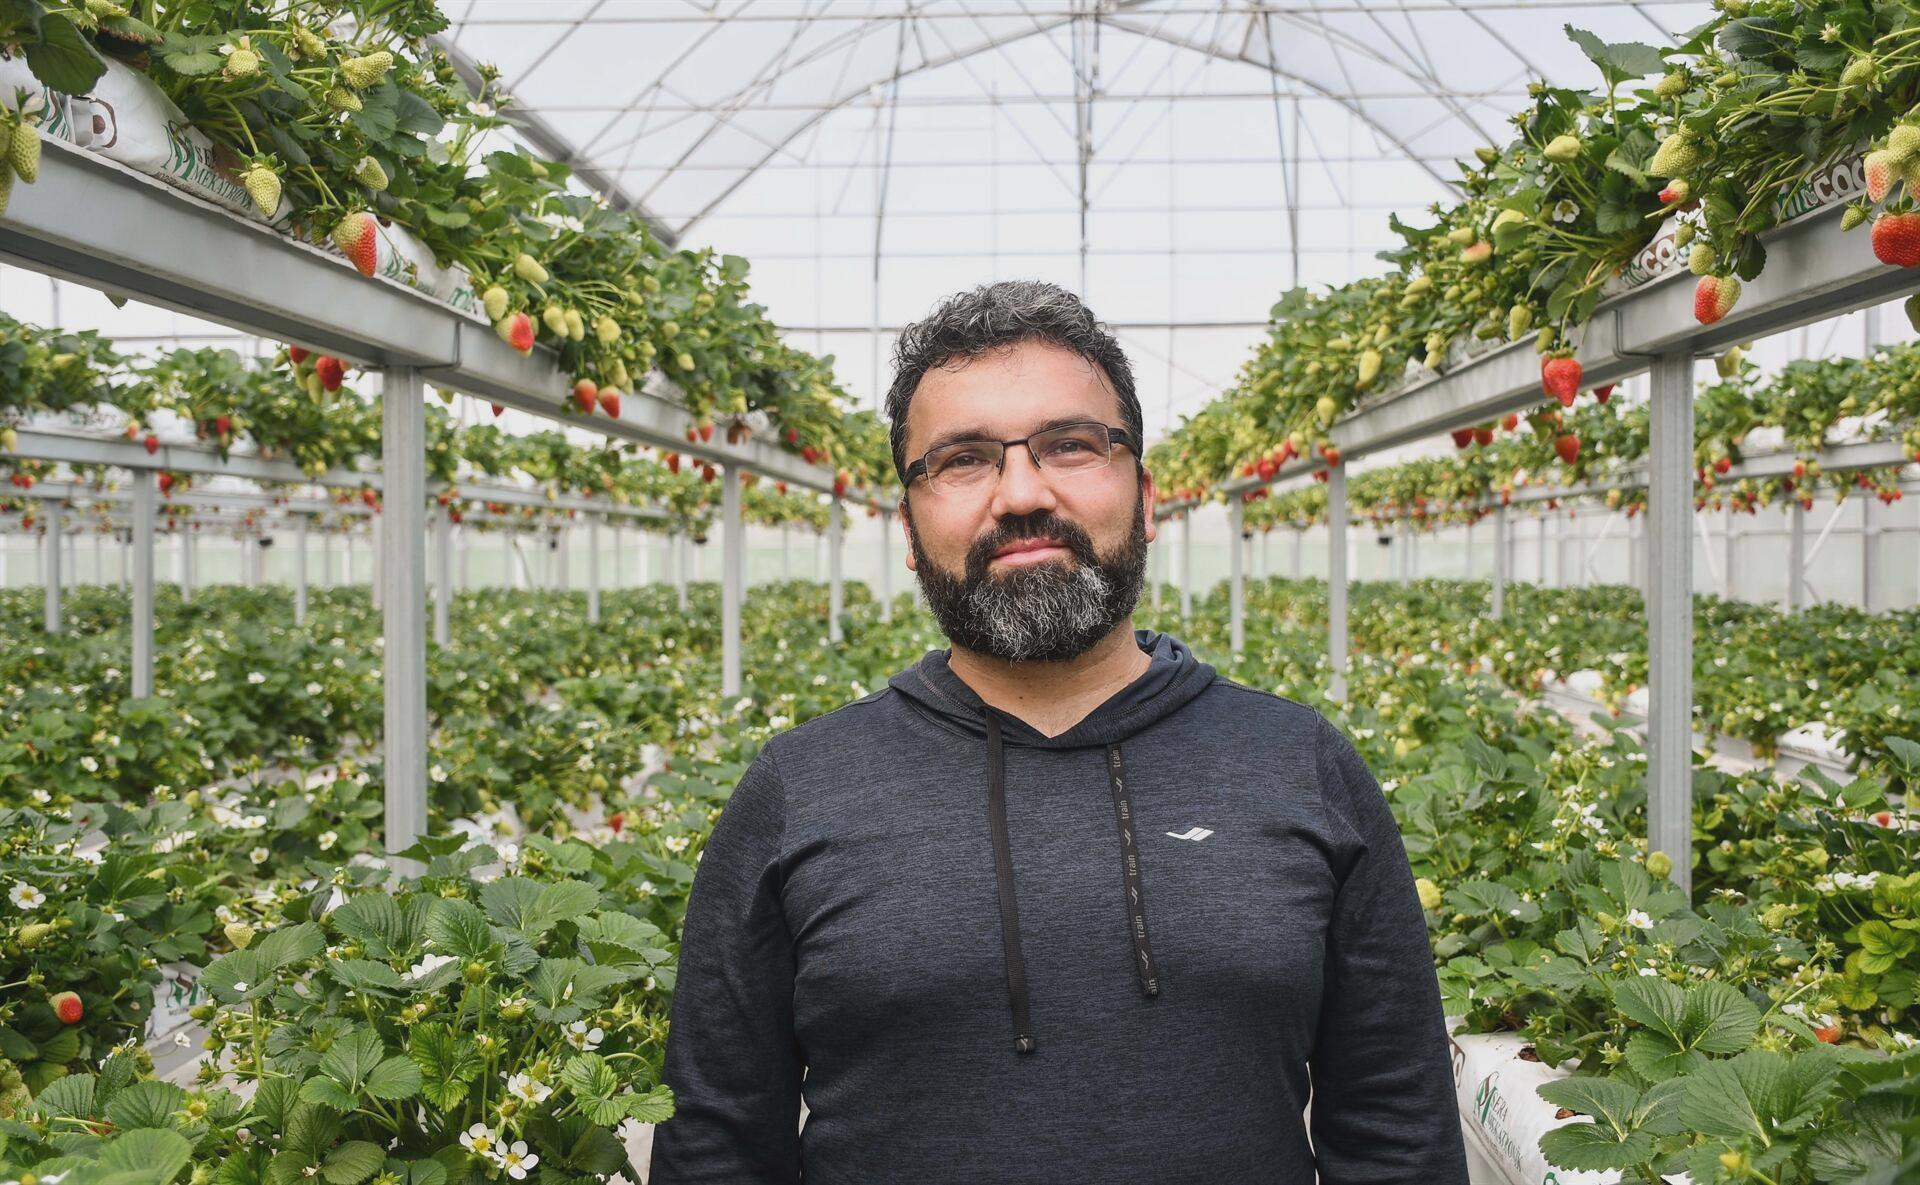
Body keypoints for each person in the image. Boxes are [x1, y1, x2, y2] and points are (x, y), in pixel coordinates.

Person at [647, 280, 1468, 1184]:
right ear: (910, 532)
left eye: (1070, 445)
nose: (1021, 491)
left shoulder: (1299, 764)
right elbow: (717, 1146)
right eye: (962, 459)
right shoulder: (799, 791)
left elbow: (1398, 1132)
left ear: (1146, 496)